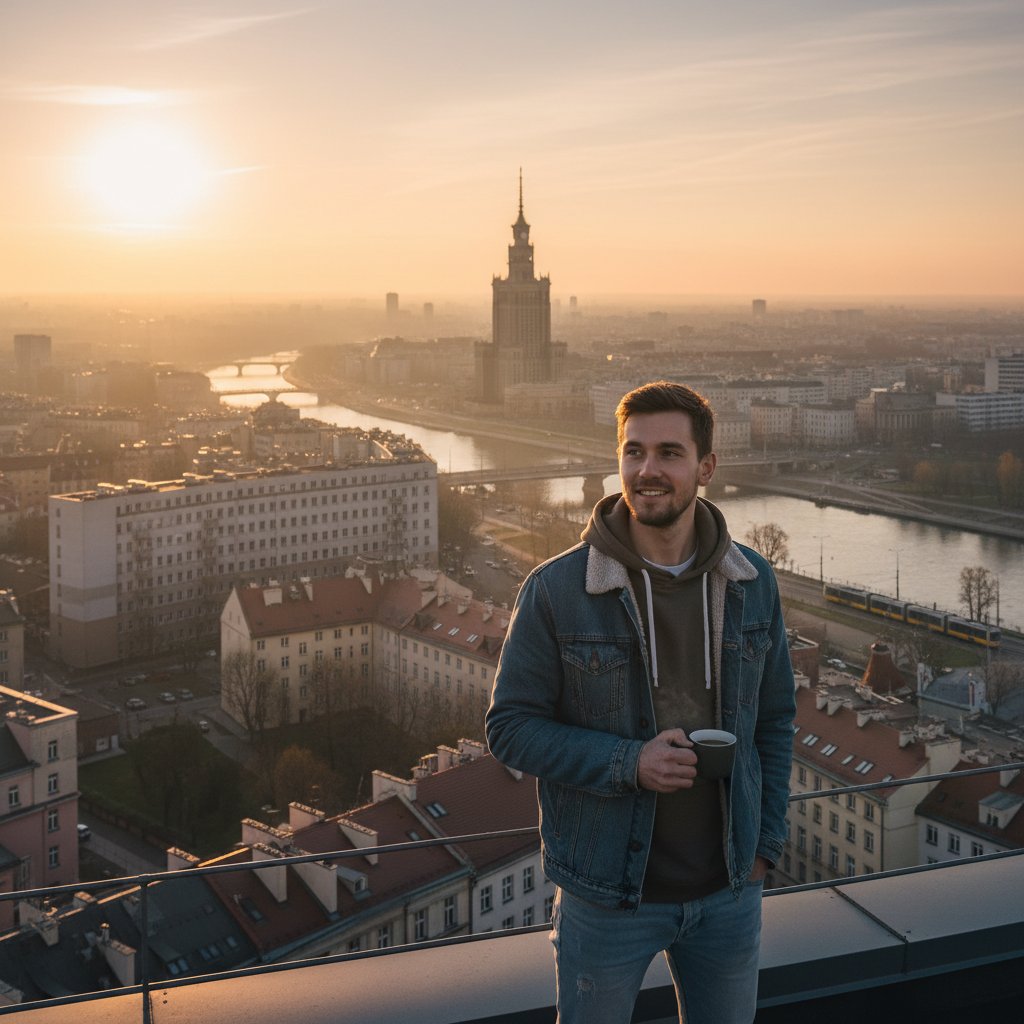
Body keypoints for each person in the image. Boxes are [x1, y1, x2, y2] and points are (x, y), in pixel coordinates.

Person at [485, 380, 796, 1024]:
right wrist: (630, 762)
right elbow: (510, 729)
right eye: (634, 452)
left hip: (730, 890)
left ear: (706, 467)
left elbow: (773, 722)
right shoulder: (558, 590)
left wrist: (764, 846)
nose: (647, 469)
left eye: (669, 453)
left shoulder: (752, 582)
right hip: (607, 896)